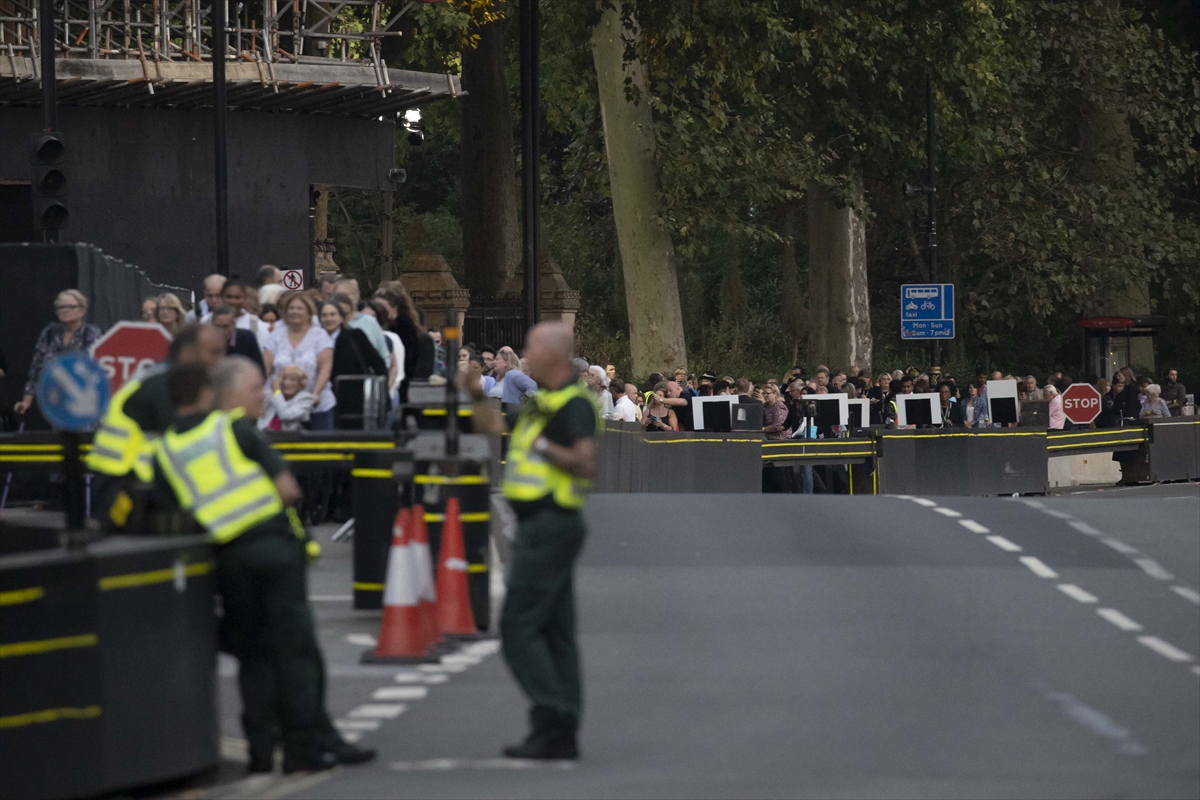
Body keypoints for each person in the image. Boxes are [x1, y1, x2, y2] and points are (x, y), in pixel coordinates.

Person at [152, 358, 374, 773]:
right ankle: (302, 748)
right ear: (223, 393)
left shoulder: (165, 449)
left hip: (227, 562)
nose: (262, 394)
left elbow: (170, 516)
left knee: (253, 657)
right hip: (272, 550)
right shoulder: (232, 429)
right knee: (295, 653)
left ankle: (258, 751)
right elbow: (288, 489)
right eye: (256, 388)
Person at [465, 322, 599, 760]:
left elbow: (584, 463)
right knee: (557, 632)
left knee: (518, 627)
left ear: (553, 356)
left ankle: (553, 715)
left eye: (530, 347)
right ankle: (563, 732)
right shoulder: (543, 403)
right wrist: (470, 393)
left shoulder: (572, 405)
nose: (525, 353)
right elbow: (491, 425)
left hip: (551, 523)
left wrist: (542, 446)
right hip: (539, 525)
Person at [87, 324, 227, 532]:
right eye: (214, 352)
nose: (220, 361)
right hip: (124, 489)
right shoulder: (164, 386)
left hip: (136, 487)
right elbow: (187, 438)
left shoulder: (165, 380)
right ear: (188, 353)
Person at [14, 289, 104, 417]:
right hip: (56, 400)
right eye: (61, 307)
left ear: (82, 310)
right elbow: (35, 370)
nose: (65, 310)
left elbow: (97, 370)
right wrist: (26, 402)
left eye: (71, 307)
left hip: (85, 402)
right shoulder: (50, 332)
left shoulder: (91, 333)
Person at [263, 293, 335, 430]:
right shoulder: (276, 335)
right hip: (280, 403)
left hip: (315, 403)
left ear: (309, 312)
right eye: (291, 308)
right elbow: (266, 367)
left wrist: (316, 393)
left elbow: (325, 368)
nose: (295, 311)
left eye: (300, 308)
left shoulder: (320, 336)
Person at [322, 298, 387, 429]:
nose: (329, 319)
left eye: (333, 314)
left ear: (341, 318)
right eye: (324, 315)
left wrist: (382, 392)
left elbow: (378, 363)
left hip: (354, 401)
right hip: (323, 400)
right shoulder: (315, 339)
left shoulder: (356, 336)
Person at [333, 278, 389, 363]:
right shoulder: (327, 323)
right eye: (337, 296)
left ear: (356, 297)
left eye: (345, 296)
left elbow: (384, 356)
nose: (341, 300)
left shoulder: (370, 322)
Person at [211, 304, 265, 375]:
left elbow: (259, 369)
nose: (221, 331)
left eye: (225, 326)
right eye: (218, 326)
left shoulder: (247, 338)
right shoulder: (206, 343)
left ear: (233, 325)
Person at [260, 365, 315, 431]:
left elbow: (286, 415)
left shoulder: (306, 399)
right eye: (284, 379)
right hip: (265, 435)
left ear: (300, 384)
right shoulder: (269, 396)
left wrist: (277, 392)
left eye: (293, 380)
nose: (287, 383)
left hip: (288, 438)